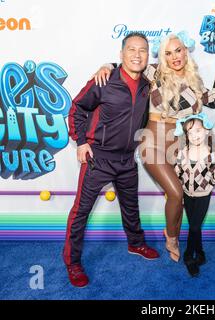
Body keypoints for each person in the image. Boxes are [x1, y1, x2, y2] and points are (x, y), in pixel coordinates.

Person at [94, 32, 215, 262]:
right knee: (176, 192)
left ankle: (172, 233)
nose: (174, 57)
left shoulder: (195, 79)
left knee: (178, 198)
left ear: (186, 51)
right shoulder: (154, 72)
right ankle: (171, 237)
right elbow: (128, 65)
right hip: (152, 140)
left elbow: (211, 99)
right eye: (168, 53)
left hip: (181, 144)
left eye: (178, 50)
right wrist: (106, 65)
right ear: (163, 56)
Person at [63, 32, 159, 288]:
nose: (137, 55)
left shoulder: (150, 81)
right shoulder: (103, 80)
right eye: (132, 50)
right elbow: (77, 109)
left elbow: (173, 68)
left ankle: (136, 244)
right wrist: (81, 141)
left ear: (148, 56)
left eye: (143, 50)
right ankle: (73, 263)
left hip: (127, 159)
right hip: (99, 158)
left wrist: (112, 63)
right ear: (121, 54)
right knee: (80, 212)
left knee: (131, 207)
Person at [174, 113, 215, 277]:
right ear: (186, 135)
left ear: (206, 131)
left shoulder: (211, 156)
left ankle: (189, 255)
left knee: (194, 226)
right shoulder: (182, 154)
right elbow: (178, 173)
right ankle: (201, 253)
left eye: (198, 130)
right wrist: (183, 189)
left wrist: (204, 185)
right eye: (190, 132)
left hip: (203, 196)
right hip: (187, 195)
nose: (195, 135)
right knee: (195, 225)